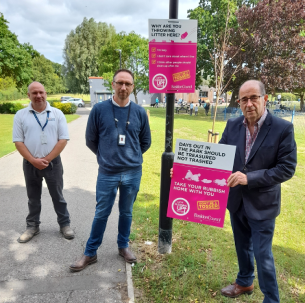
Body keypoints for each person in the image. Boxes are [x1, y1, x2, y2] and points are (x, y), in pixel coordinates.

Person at [219, 80, 297, 302]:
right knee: (242, 246)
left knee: (263, 255)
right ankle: (244, 282)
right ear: (239, 102)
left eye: (254, 98)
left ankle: (271, 299)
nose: (249, 103)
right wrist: (184, 171)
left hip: (263, 204)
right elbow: (218, 159)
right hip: (236, 201)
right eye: (244, 99)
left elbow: (286, 168)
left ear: (265, 99)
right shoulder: (232, 125)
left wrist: (249, 178)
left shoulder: (283, 128)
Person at [70, 69, 151, 272]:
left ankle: (123, 246)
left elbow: (146, 142)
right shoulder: (99, 110)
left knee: (126, 212)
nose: (124, 87)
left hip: (133, 172)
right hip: (107, 172)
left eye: (128, 84)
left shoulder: (140, 112)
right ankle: (90, 252)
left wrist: (131, 157)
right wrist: (105, 156)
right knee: (101, 213)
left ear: (132, 87)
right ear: (113, 84)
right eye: (120, 83)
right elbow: (91, 139)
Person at [13, 82, 74, 243]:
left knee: (58, 196)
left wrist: (46, 159)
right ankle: (32, 226)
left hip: (53, 163)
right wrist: (33, 160)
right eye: (34, 93)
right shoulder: (21, 115)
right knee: (33, 197)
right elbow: (18, 142)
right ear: (28, 95)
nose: (38, 96)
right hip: (29, 163)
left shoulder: (57, 113)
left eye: (41, 92)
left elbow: (63, 140)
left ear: (46, 93)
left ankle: (65, 225)